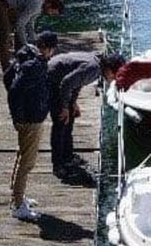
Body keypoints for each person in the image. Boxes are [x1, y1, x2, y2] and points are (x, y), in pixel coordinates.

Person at [2, 31, 58, 221]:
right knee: (27, 162)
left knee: (23, 157)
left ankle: (18, 196)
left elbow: (7, 78)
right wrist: (20, 116)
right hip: (30, 121)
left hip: (27, 118)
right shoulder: (34, 65)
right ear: (49, 49)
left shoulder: (26, 59)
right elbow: (14, 91)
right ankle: (18, 205)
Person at [47, 51, 126, 182]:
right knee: (61, 122)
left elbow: (76, 83)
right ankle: (58, 165)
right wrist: (64, 107)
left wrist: (73, 103)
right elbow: (66, 83)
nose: (113, 79)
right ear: (109, 69)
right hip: (52, 80)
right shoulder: (93, 69)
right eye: (115, 75)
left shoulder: (97, 66)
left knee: (70, 120)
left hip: (63, 81)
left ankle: (68, 156)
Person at [0, 0, 64, 70]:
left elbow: (30, 24)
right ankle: (6, 67)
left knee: (18, 32)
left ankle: (19, 60)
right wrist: (26, 45)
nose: (50, 15)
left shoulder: (41, 2)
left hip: (9, 0)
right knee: (5, 34)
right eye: (52, 12)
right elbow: (20, 25)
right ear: (49, 4)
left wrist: (34, 41)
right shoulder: (36, 3)